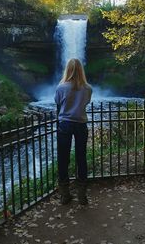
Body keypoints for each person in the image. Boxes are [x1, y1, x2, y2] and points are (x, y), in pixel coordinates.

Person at [54, 58, 92, 205]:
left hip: (65, 125)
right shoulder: (88, 88)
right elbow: (86, 103)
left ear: (68, 70)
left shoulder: (61, 87)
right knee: (81, 159)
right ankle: (82, 196)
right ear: (81, 70)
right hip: (81, 124)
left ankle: (65, 195)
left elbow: (58, 104)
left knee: (63, 159)